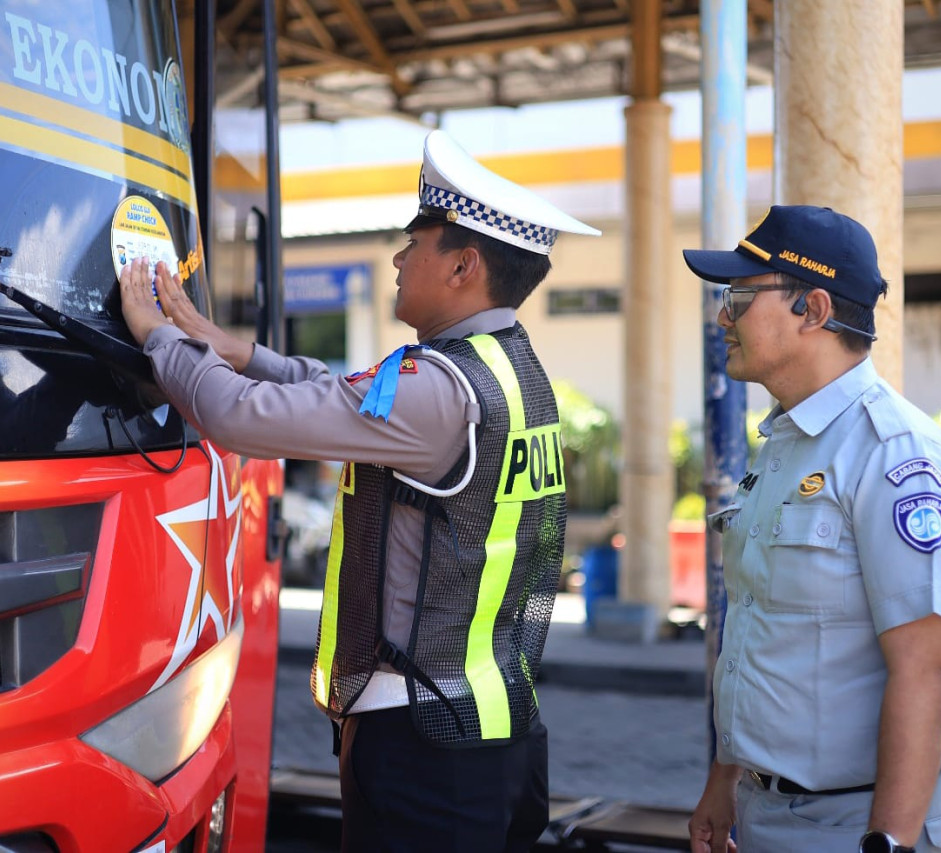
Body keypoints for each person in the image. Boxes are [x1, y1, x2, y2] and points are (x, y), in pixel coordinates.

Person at [119, 129, 600, 852]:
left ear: (465, 264)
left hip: (422, 744)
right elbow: (347, 393)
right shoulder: (505, 369)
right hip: (497, 728)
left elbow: (235, 416)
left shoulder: (440, 387)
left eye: (418, 241)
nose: (400, 258)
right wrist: (234, 348)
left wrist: (157, 336)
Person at [681, 205, 941, 853]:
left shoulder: (900, 459)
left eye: (740, 296)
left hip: (853, 824)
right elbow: (763, 627)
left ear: (814, 309)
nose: (723, 316)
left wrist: (889, 841)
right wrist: (727, 776)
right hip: (766, 807)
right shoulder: (787, 442)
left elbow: (926, 670)